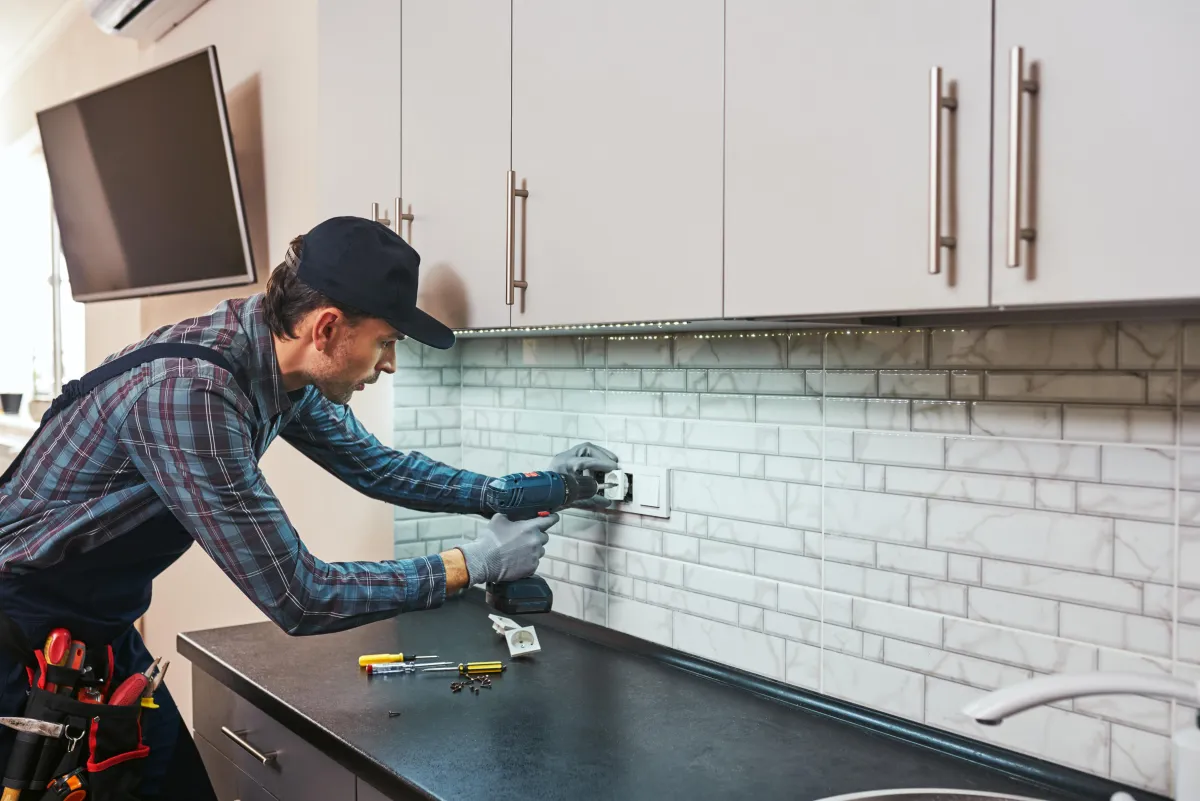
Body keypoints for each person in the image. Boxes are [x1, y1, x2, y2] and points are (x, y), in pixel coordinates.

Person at [0, 216, 619, 799]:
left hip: (95, 637)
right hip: (15, 640)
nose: (390, 363)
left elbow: (377, 466)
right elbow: (302, 596)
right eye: (385, 341)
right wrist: (475, 563)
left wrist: (523, 490)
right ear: (326, 328)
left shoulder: (272, 364)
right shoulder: (191, 397)